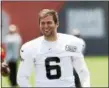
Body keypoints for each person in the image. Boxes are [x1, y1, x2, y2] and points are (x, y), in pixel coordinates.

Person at [17, 9, 90, 87]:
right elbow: (22, 77)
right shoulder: (31, 47)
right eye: (43, 23)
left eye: (49, 23)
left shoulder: (70, 43)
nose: (45, 26)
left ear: (57, 23)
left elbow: (82, 71)